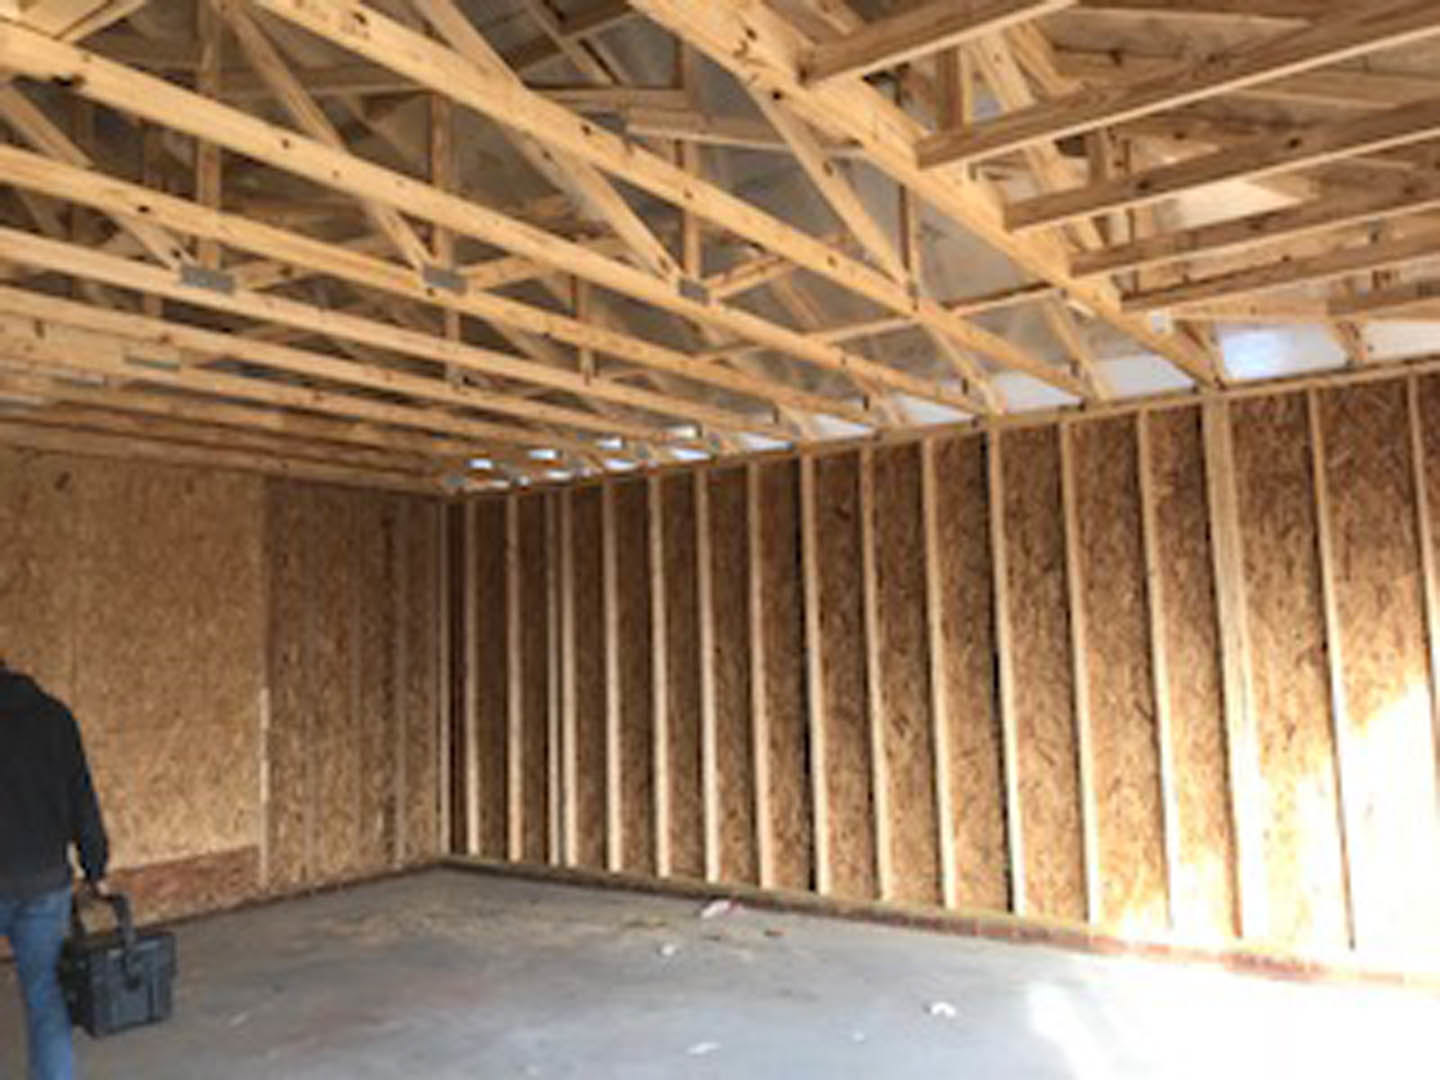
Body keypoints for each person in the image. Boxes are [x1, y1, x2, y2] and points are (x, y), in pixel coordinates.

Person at [0, 657, 109, 1080]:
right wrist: (95, 866)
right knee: (45, 996)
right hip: (44, 880)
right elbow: (82, 797)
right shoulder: (54, 717)